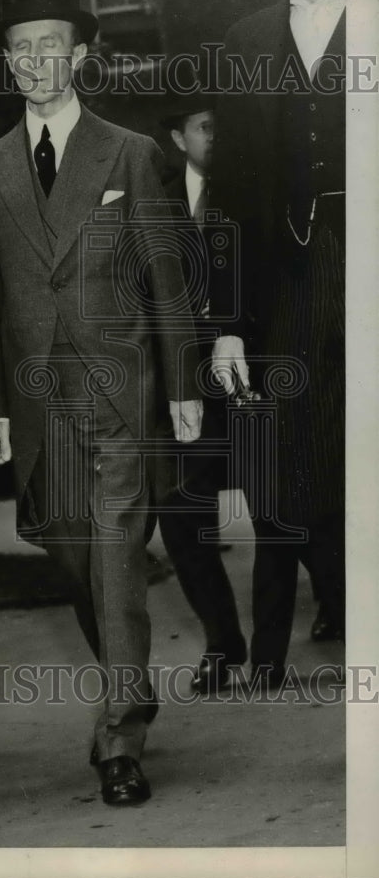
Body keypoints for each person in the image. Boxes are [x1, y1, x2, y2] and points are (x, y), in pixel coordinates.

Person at [0, 0, 202, 806]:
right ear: (9, 60)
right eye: (20, 48)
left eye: (50, 45)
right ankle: (127, 686)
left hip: (120, 391)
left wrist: (181, 384)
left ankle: (118, 740)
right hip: (39, 405)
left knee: (114, 561)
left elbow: (167, 278)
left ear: (78, 56)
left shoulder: (130, 153)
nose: (35, 61)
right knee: (74, 565)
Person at [211, 0, 346, 687]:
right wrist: (229, 325)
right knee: (299, 473)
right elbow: (228, 196)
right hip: (294, 279)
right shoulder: (248, 41)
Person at [147, 95, 246, 691]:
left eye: (223, 127)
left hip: (259, 367)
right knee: (183, 513)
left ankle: (337, 608)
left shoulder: (255, 186)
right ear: (180, 138)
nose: (217, 138)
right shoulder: (153, 201)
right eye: (205, 128)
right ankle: (221, 640)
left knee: (289, 501)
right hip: (187, 381)